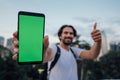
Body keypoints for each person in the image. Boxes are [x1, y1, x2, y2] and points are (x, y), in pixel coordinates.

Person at [12, 22, 101, 80]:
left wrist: (98, 41)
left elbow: (92, 54)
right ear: (60, 36)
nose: (69, 35)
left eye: (71, 33)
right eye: (65, 33)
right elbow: (46, 56)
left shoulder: (74, 51)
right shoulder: (55, 48)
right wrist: (41, 50)